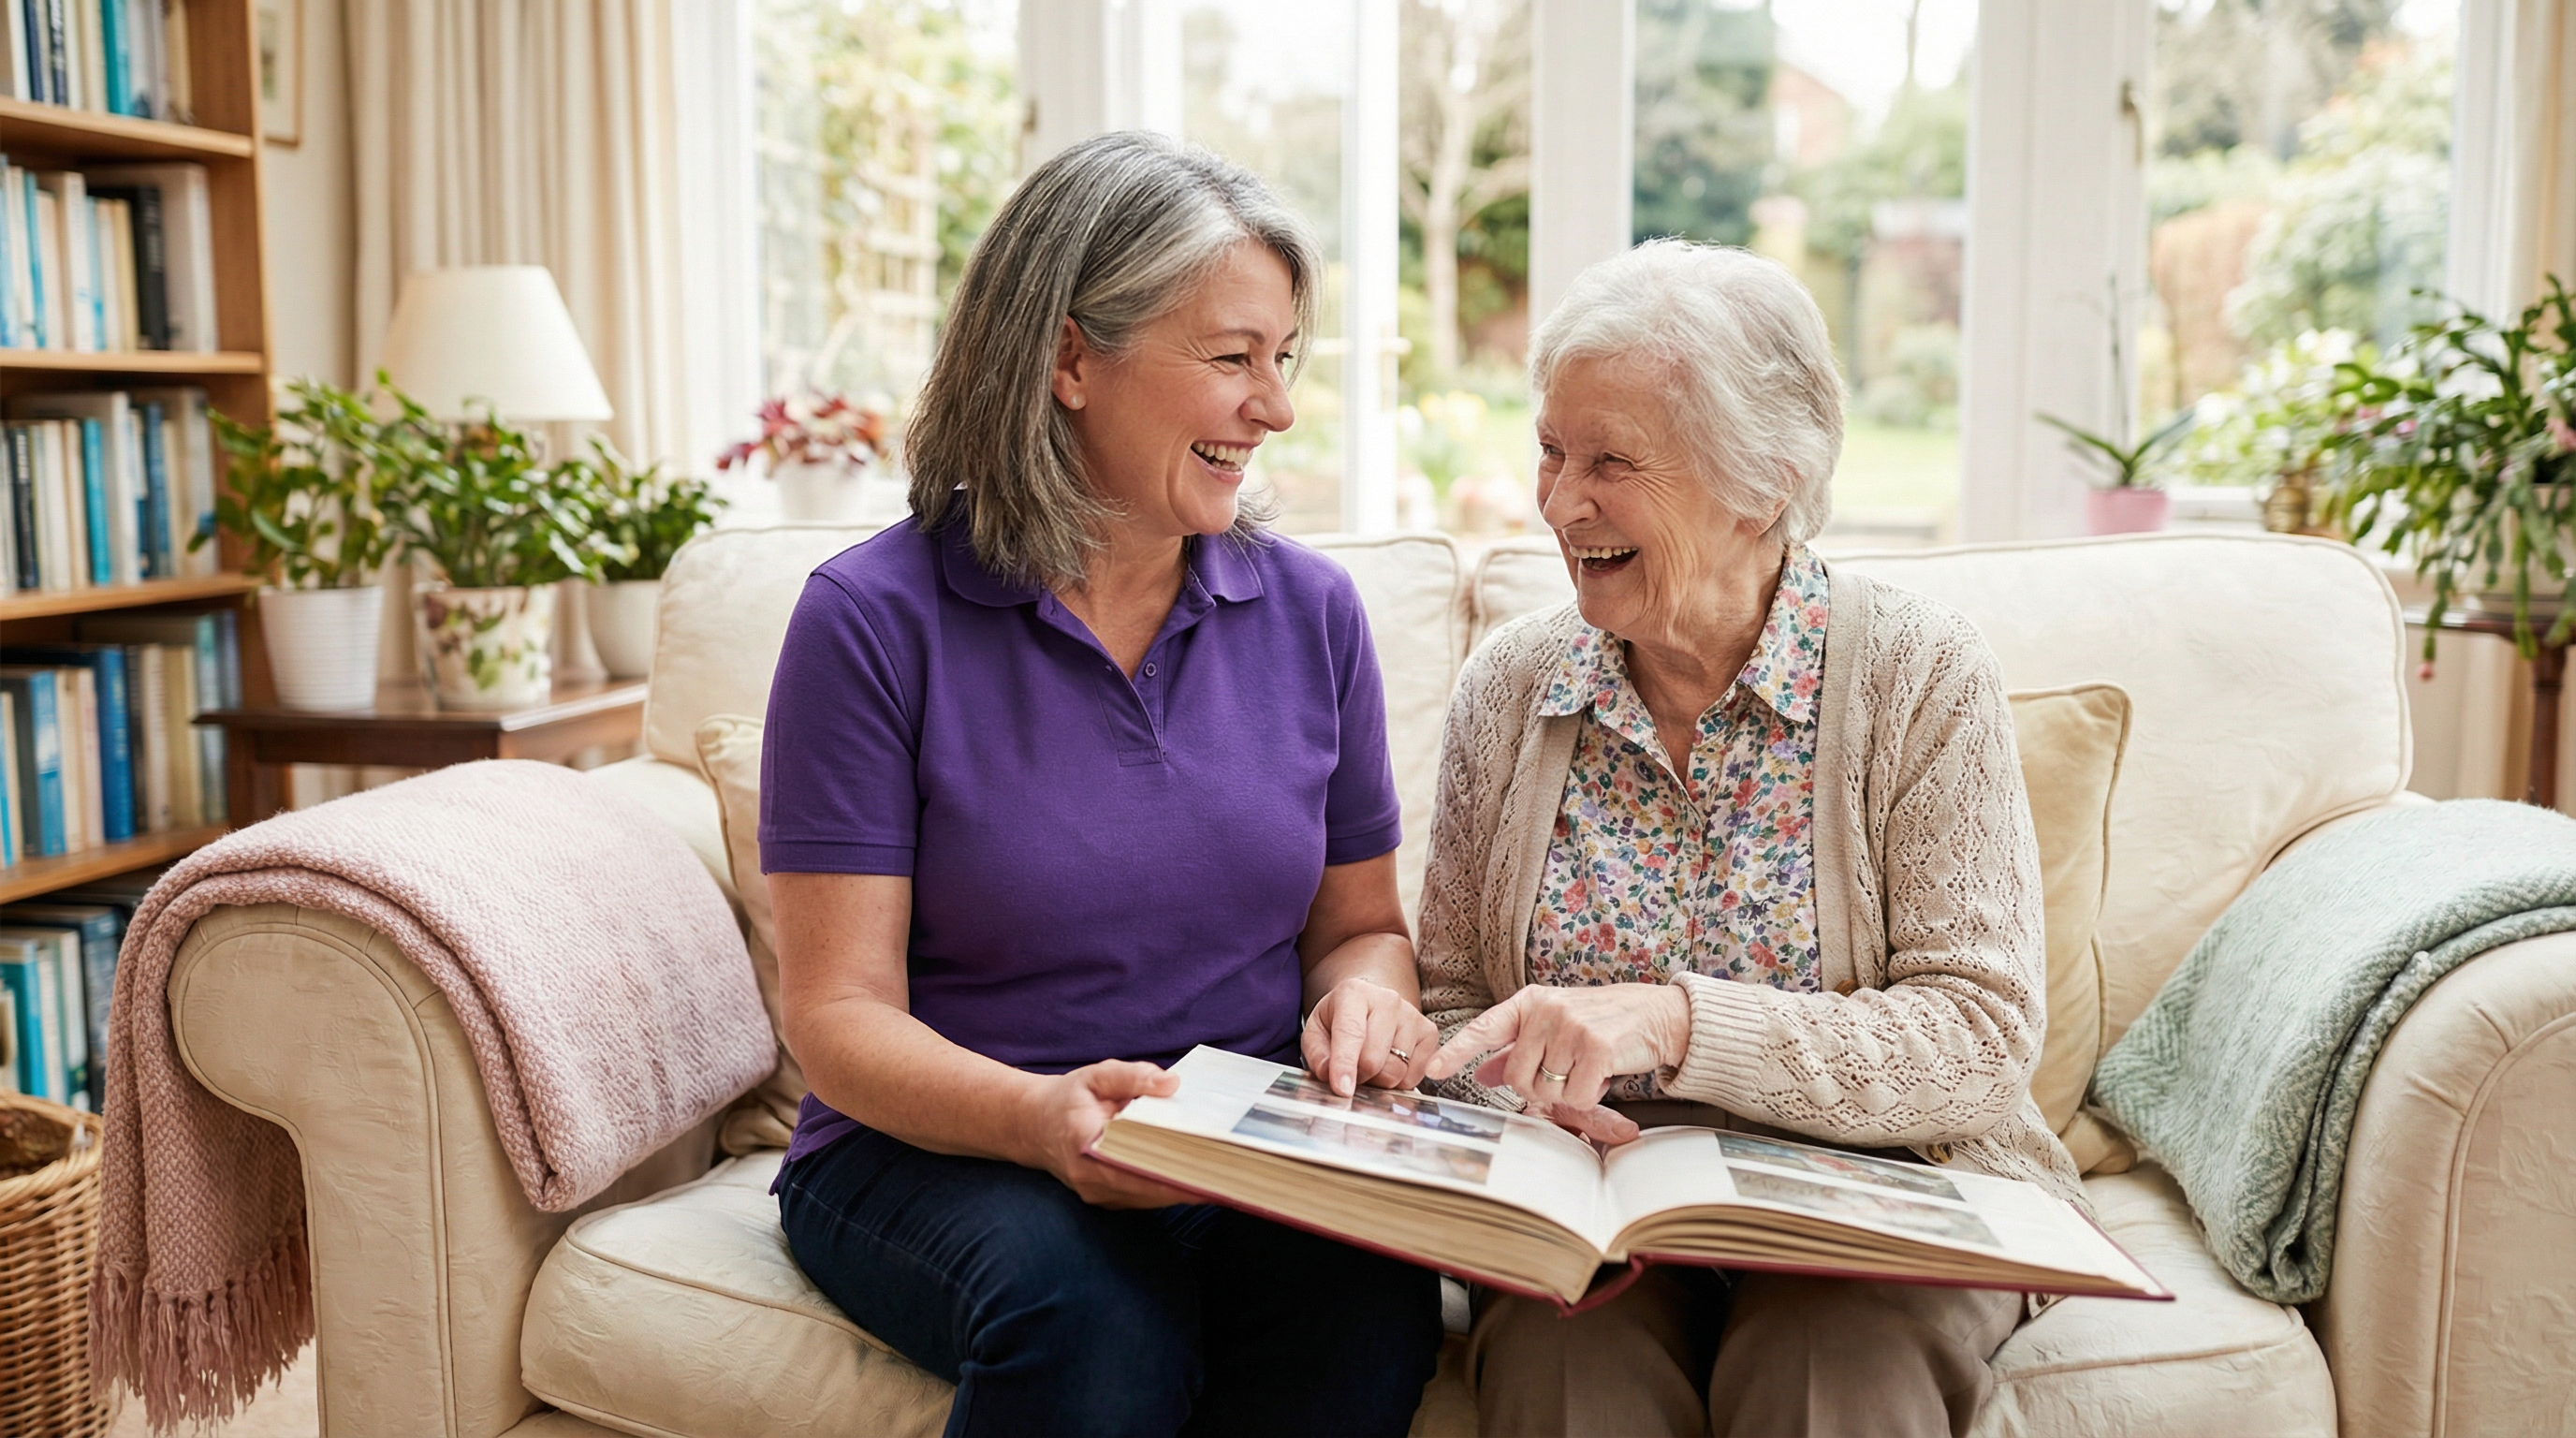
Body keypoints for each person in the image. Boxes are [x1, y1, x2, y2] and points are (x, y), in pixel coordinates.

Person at [764, 132, 1444, 1438]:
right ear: (1070, 359)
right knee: (1093, 1323)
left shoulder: (1313, 615)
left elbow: (1357, 929)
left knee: (1366, 1304)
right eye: (1233, 358)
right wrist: (1036, 1121)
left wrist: (1367, 1006)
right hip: (940, 1146)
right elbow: (839, 1016)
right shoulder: (870, 620)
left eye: (1284, 360)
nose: (1277, 406)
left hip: (1236, 1141)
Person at [1414, 240, 2086, 1438]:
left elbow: (1980, 1036)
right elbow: (1459, 1000)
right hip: (1605, 1210)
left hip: (1892, 1196)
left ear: (1762, 483)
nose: (1562, 501)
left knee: (1829, 1362)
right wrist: (1506, 1097)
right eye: (1552, 451)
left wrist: (1673, 1023)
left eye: (1611, 461)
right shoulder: (1513, 690)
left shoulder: (1916, 677)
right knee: (1569, 1371)